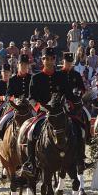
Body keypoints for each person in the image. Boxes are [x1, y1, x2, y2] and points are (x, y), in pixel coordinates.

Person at [21, 48, 73, 178]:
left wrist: (70, 102)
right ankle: (31, 163)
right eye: (46, 59)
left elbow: (68, 94)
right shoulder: (36, 78)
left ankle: (79, 158)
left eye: (51, 59)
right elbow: (31, 98)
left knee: (76, 127)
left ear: (55, 60)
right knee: (31, 131)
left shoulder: (61, 76)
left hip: (60, 113)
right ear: (42, 60)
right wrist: (40, 108)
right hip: (43, 113)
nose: (49, 61)